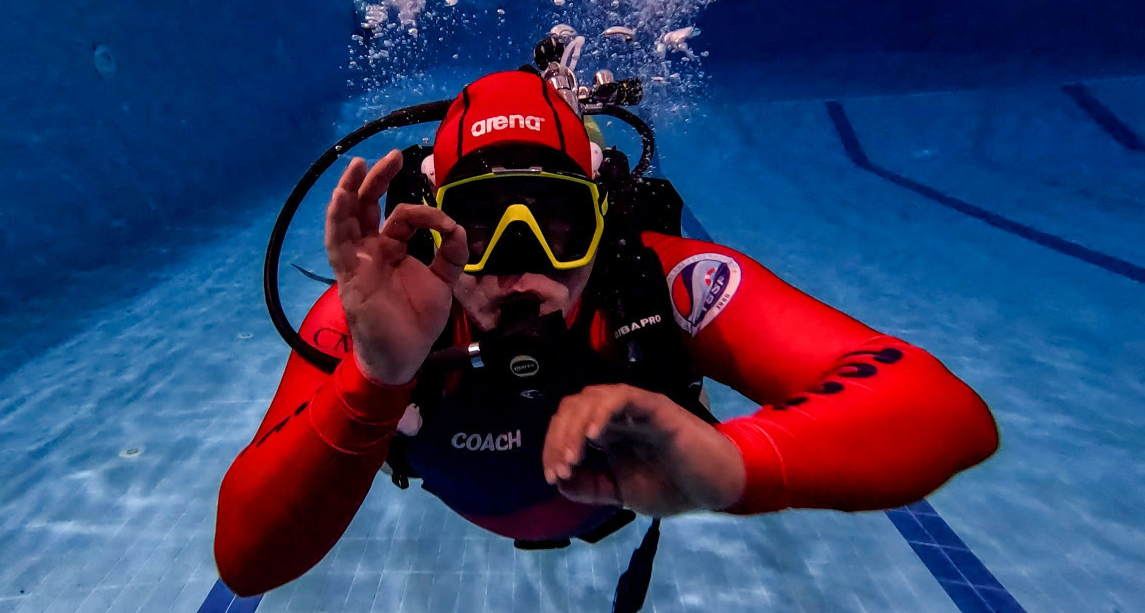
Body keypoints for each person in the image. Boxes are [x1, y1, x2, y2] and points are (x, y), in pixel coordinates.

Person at [213, 69, 999, 599]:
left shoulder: (656, 281)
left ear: (603, 219)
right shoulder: (377, 315)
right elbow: (247, 560)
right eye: (478, 225)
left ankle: (562, 86)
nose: (519, 269)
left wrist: (737, 464)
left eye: (556, 221)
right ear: (429, 223)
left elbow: (942, 409)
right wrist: (376, 379)